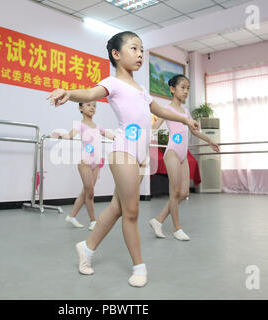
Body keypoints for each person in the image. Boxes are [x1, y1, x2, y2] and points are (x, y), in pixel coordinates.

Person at [47, 31, 200, 287]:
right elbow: (89, 93)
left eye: (141, 49)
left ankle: (87, 247)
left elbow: (159, 109)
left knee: (118, 208)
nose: (140, 54)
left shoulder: (141, 89)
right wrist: (69, 93)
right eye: (133, 48)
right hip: (123, 152)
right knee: (132, 211)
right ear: (116, 55)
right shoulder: (113, 83)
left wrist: (185, 118)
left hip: (139, 155)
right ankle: (139, 266)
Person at [150, 75, 220, 241]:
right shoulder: (166, 110)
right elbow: (154, 127)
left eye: (188, 88)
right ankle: (177, 229)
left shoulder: (186, 112)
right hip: (173, 152)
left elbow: (194, 131)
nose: (186, 91)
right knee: (174, 192)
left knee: (184, 192)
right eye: (183, 87)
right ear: (173, 89)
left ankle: (158, 220)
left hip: (183, 153)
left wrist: (210, 141)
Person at [51, 101, 115, 230]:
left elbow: (110, 135)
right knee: (90, 193)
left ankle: (72, 216)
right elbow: (69, 135)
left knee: (85, 192)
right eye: (88, 105)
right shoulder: (80, 125)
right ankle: (93, 221)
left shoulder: (98, 126)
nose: (92, 107)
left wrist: (122, 138)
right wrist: (59, 135)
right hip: (85, 162)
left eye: (94, 105)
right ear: (80, 107)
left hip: (96, 163)